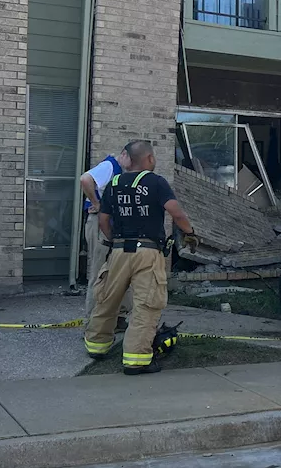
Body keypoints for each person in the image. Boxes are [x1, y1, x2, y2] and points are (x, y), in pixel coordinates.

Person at [83, 140, 199, 374]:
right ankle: (136, 359)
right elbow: (176, 212)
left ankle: (97, 345)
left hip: (117, 252)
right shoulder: (156, 183)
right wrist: (190, 234)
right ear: (149, 159)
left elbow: (104, 220)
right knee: (146, 304)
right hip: (148, 252)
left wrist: (115, 239)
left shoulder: (114, 183)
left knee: (108, 298)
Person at [80, 144, 133, 319]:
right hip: (98, 224)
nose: (131, 167)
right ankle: (92, 321)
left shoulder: (122, 170)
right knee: (99, 272)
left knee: (119, 271)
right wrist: (96, 203)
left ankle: (119, 317)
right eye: (130, 162)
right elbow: (85, 179)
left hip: (112, 225)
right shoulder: (110, 166)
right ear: (123, 154)